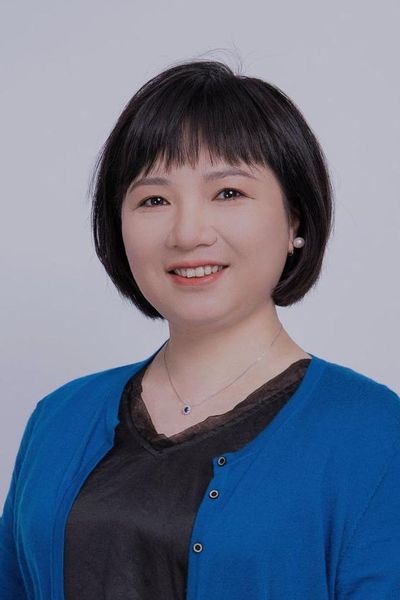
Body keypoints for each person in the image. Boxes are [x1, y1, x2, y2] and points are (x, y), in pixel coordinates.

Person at [1, 59, 399, 600]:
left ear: (295, 221)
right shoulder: (59, 417)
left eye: (228, 192)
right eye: (154, 200)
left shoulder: (374, 433)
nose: (188, 233)